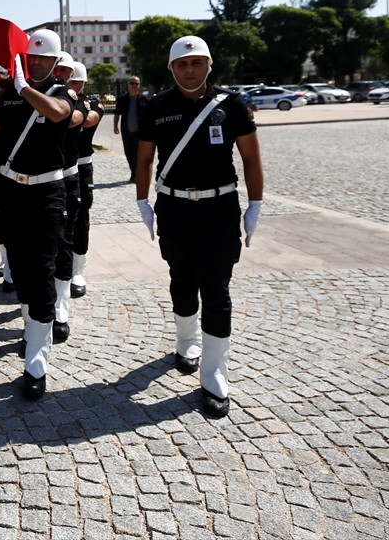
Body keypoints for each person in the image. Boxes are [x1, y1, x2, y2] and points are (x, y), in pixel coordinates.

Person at [134, 35, 263, 420]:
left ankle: (214, 374)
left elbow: (251, 158)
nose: (189, 70)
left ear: (208, 65)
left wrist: (255, 204)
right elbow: (145, 159)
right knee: (182, 279)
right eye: (182, 64)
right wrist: (142, 200)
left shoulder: (231, 104)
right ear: (171, 68)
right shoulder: (157, 106)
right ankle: (186, 342)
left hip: (219, 208)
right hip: (174, 207)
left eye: (196, 63)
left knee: (217, 288)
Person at [0, 28, 72, 399]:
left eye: (44, 58)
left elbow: (58, 113)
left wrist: (24, 87)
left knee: (42, 269)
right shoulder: (11, 98)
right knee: (19, 267)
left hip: (47, 192)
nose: (37, 63)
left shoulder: (61, 92)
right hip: (11, 190)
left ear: (56, 62)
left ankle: (37, 361)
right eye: (32, 58)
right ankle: (32, 331)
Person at [50, 52, 86, 342]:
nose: (60, 74)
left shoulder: (74, 99)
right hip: (37, 182)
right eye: (57, 69)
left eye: (65, 70)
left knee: (64, 241)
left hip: (67, 177)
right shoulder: (37, 95)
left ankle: (60, 309)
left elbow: (73, 118)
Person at [69, 62, 103, 297]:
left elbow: (90, 119)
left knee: (81, 218)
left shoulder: (91, 103)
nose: (72, 85)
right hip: (60, 168)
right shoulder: (55, 99)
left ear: (82, 84)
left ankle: (78, 270)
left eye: (76, 82)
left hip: (81, 165)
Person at [113, 76, 149, 183]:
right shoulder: (123, 99)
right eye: (132, 83)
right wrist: (115, 126)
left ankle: (135, 175)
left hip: (139, 133)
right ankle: (134, 173)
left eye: (136, 83)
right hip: (126, 131)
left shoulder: (144, 99)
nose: (134, 85)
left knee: (137, 155)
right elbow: (117, 113)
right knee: (128, 154)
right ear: (129, 85)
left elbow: (150, 115)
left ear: (139, 85)